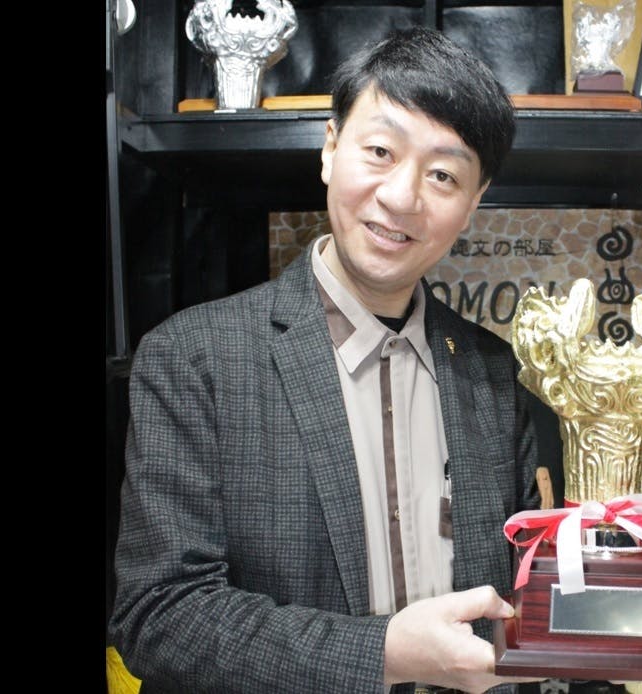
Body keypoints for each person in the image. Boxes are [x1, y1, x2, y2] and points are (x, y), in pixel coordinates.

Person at [109, 25, 546, 694]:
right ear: (330, 149)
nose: (401, 197)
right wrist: (382, 654)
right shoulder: (193, 359)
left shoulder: (492, 371)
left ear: (473, 203)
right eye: (380, 151)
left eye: (442, 175)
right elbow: (159, 617)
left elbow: (523, 588)